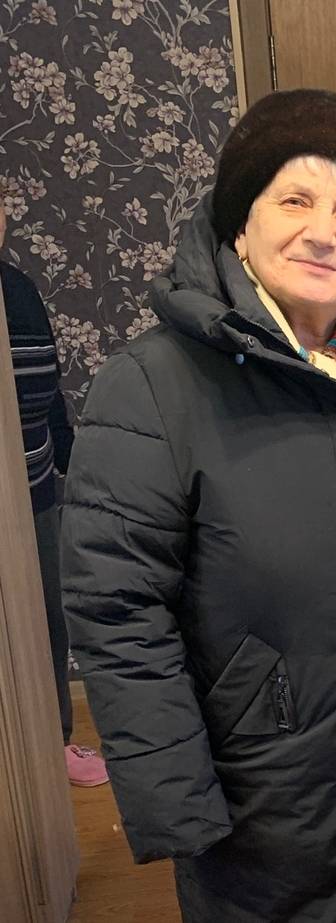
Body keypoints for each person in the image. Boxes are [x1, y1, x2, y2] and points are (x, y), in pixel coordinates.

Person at [60, 89, 336, 922]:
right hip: (266, 812)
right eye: (295, 200)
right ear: (241, 221)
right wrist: (178, 803)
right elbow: (117, 610)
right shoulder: (154, 385)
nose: (322, 232)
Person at [1, 205, 107, 787]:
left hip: (37, 494)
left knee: (46, 621)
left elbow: (48, 400)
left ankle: (56, 742)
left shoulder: (19, 291)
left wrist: (81, 474)